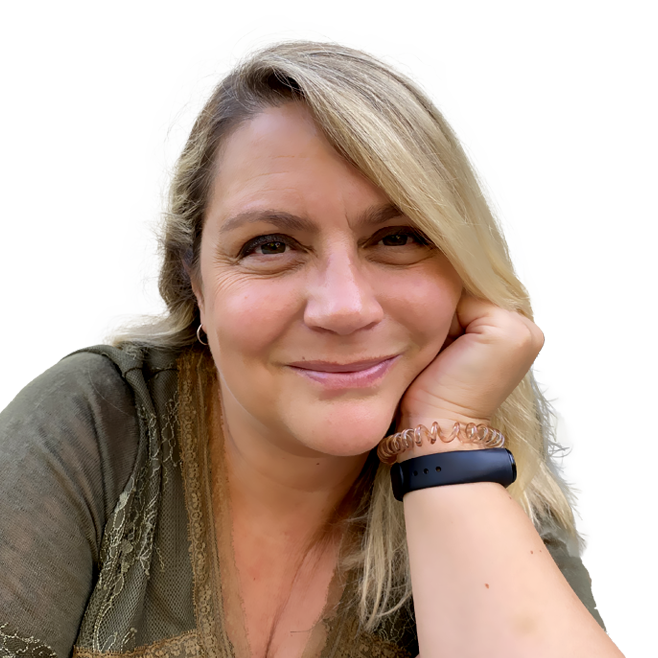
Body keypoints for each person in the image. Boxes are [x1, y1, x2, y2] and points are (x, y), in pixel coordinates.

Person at [0, 39, 622, 658]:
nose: (344, 307)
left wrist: (444, 439)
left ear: (462, 268)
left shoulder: (492, 482)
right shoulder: (98, 424)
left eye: (398, 237)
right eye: (270, 245)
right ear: (195, 284)